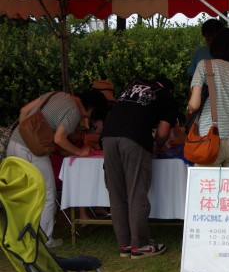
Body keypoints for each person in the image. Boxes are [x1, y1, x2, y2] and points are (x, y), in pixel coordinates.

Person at [7, 90, 108, 248]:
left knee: (22, 196)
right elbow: (59, 138)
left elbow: (24, 111)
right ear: (91, 108)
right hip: (32, 152)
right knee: (47, 194)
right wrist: (80, 151)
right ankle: (45, 240)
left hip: (14, 144)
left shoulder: (54, 94)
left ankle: (19, 236)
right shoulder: (74, 111)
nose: (86, 118)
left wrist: (26, 135)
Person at [101, 77, 177, 259]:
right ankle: (140, 245)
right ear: (169, 90)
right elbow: (163, 132)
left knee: (116, 192)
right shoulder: (167, 97)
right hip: (134, 139)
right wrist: (159, 145)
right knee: (136, 192)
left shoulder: (130, 87)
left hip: (108, 137)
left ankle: (125, 244)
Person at [187, 28, 229, 167]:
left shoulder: (204, 66)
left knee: (208, 187)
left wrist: (189, 108)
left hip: (208, 139)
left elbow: (194, 104)